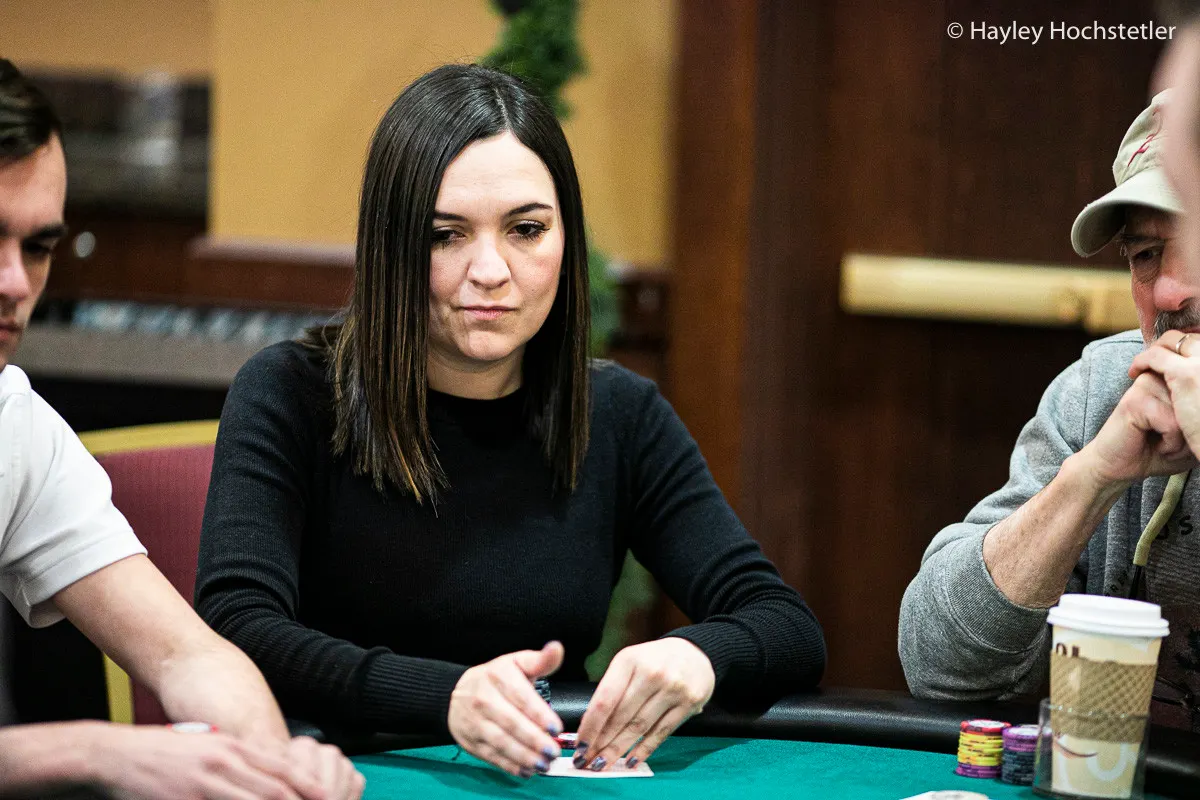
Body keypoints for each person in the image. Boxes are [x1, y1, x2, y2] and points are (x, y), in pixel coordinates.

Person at [194, 63, 826, 778]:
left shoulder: (619, 413)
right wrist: (447, 696)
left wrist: (699, 654)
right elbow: (238, 628)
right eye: (445, 235)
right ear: (391, 245)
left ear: (566, 239)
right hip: (338, 773)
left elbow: (786, 626)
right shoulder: (289, 393)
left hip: (541, 781)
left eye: (526, 230)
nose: (491, 270)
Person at [0, 59, 364, 798]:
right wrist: (96, 752)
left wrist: (274, 765)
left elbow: (188, 657)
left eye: (37, 247)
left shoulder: (14, 425)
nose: (14, 283)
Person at [898, 89, 1200, 732]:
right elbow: (939, 667)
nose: (1171, 291)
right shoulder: (1105, 392)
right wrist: (1092, 479)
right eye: (1147, 254)